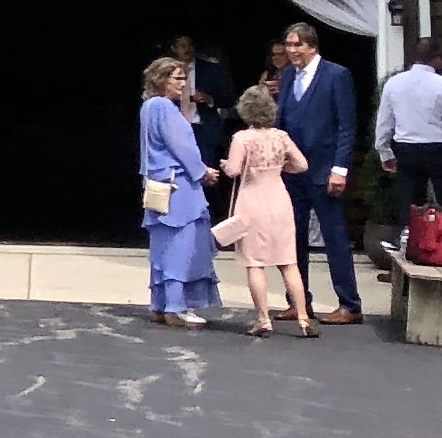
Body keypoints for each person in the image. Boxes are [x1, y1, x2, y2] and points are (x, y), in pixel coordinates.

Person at [272, 20, 365, 322]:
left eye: (297, 44)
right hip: (291, 172)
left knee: (334, 237)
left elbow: (346, 125)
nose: (292, 50)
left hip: (325, 169)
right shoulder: (286, 77)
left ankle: (349, 304)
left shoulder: (336, 75)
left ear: (312, 46)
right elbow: (281, 122)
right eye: (288, 44)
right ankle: (299, 301)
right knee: (292, 238)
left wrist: (340, 168)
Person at [217, 81, 319, 337]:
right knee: (288, 262)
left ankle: (263, 318)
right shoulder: (281, 136)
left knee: (255, 263)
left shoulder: (242, 138)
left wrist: (224, 164)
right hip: (279, 199)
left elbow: (233, 170)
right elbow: (303, 165)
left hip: (252, 200)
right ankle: (304, 319)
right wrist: (283, 168)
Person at [137, 54, 225, 325]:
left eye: (184, 77)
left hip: (158, 184)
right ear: (162, 80)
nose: (184, 83)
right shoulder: (163, 107)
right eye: (178, 78)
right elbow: (181, 146)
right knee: (181, 244)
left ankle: (160, 304)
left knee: (163, 246)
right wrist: (202, 171)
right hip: (178, 186)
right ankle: (175, 306)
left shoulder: (149, 106)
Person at [375, 38, 442, 263]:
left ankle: (410, 248)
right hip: (439, 148)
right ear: (437, 59)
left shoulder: (394, 84)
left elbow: (384, 122)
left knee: (410, 204)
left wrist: (384, 151)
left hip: (407, 149)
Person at [169, 29, 236, 171]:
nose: (187, 49)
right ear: (174, 49)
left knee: (207, 173)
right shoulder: (166, 71)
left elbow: (228, 98)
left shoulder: (211, 69)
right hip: (176, 129)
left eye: (189, 45)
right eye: (182, 46)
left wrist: (209, 99)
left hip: (203, 130)